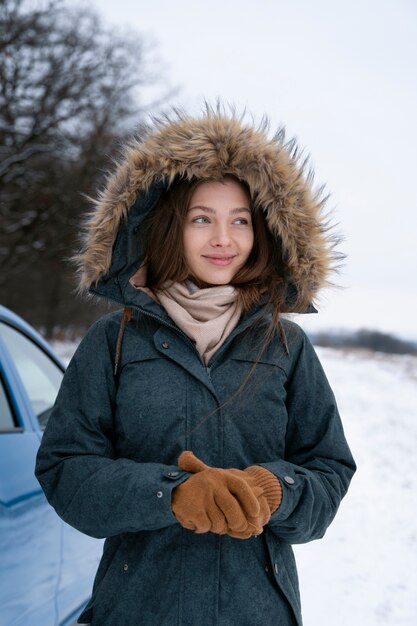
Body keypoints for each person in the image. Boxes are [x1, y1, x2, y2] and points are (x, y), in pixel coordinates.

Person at [35, 107, 356, 626]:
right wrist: (171, 493)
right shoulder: (110, 342)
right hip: (138, 610)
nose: (223, 239)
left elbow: (329, 471)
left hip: (259, 613)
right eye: (202, 218)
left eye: (241, 221)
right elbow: (66, 470)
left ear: (264, 233)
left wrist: (276, 491)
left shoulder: (286, 346)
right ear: (167, 226)